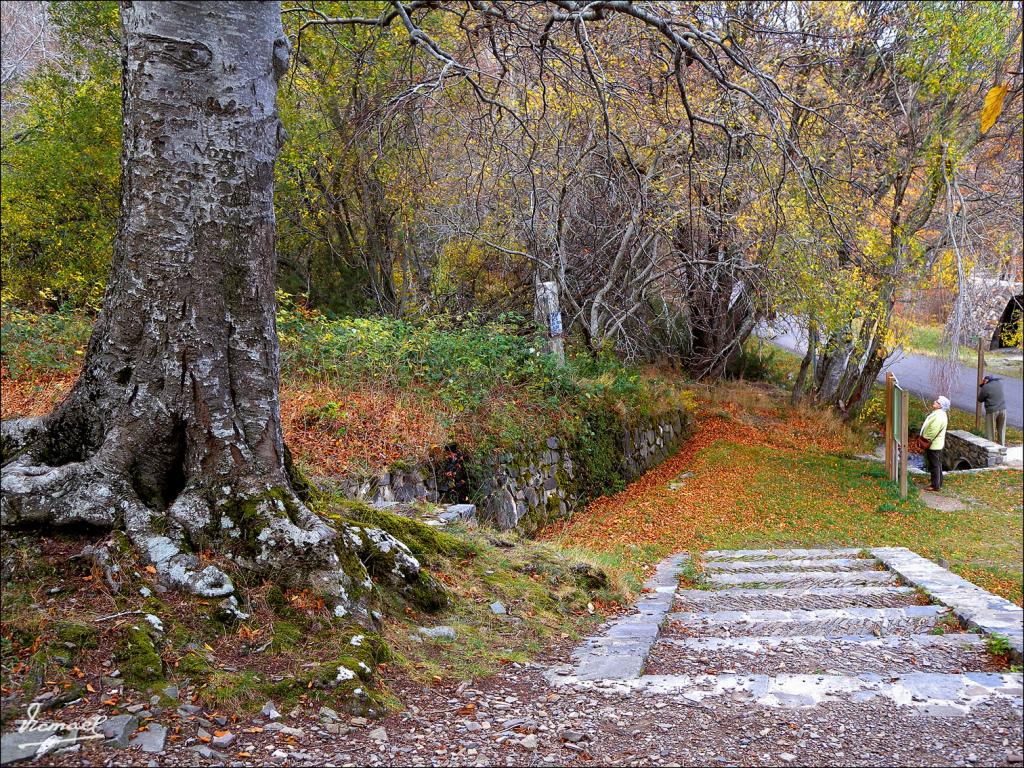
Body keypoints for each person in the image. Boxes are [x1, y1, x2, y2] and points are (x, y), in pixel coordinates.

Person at [919, 395, 950, 491]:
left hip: (933, 445)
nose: (935, 401)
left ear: (940, 406)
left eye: (937, 401)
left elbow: (933, 430)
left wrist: (924, 439)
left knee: (934, 465)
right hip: (935, 444)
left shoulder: (939, 416)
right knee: (936, 464)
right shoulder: (939, 414)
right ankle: (938, 483)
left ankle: (935, 485)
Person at [977, 374, 1007, 446]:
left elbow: (980, 399)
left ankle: (991, 448)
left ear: (986, 381)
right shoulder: (999, 383)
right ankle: (1002, 447)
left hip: (992, 411)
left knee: (990, 431)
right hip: (1003, 409)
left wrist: (983, 386)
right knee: (1001, 430)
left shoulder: (986, 387)